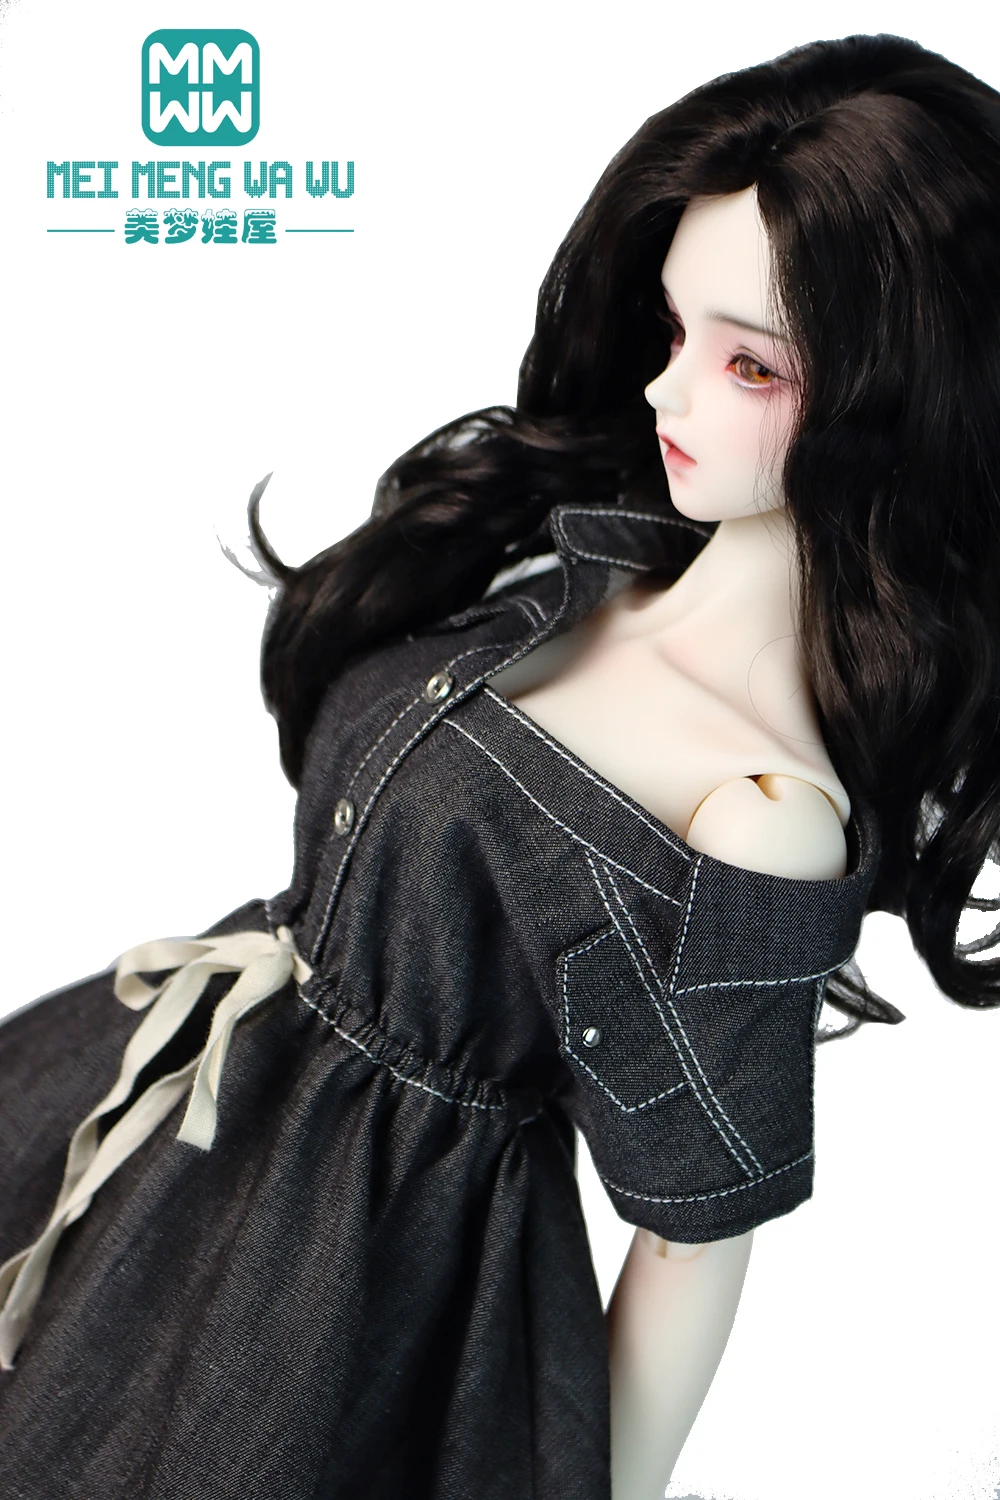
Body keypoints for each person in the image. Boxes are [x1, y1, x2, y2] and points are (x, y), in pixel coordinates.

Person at [2, 30, 999, 1500]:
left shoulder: (759, 814)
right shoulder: (587, 567)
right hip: (175, 1106)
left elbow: (692, 1243)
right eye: (673, 331)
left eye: (748, 364)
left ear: (897, 406)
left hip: (339, 1282)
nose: (669, 394)